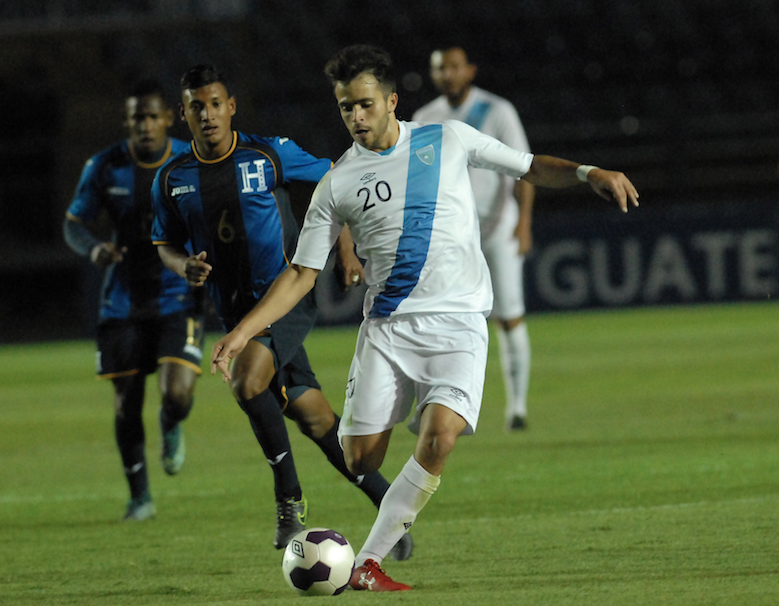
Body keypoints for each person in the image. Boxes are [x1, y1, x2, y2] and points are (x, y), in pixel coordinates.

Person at [211, 44, 639, 591]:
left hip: (458, 321)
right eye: (345, 108)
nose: (356, 118)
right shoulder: (336, 183)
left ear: (392, 101)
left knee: (439, 439)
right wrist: (243, 332)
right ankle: (418, 413)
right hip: (388, 330)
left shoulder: (448, 139)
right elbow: (300, 274)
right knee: (359, 457)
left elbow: (529, 168)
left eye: (364, 104)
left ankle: (367, 562)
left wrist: (587, 172)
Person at [151, 63, 413, 559]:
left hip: (284, 296)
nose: (207, 114)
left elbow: (337, 183)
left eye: (214, 104)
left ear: (231, 107)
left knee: (246, 381)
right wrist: (181, 263)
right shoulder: (171, 178)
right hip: (232, 311)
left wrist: (347, 247)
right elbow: (163, 241)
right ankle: (390, 509)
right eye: (196, 107)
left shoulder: (269, 153)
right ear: (182, 116)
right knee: (314, 418)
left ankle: (289, 499)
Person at [63, 78, 203, 521]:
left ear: (167, 118)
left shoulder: (189, 160)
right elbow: (73, 223)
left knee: (177, 395)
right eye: (136, 117)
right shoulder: (105, 167)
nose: (145, 125)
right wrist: (94, 249)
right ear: (127, 121)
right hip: (122, 301)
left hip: (177, 295)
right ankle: (140, 497)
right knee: (126, 402)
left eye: (152, 116)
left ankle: (172, 423)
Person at [413, 45, 536, 431]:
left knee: (509, 317)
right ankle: (436, 405)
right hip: (450, 236)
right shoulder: (425, 117)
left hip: (497, 228)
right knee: (437, 317)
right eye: (440, 69)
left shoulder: (497, 111)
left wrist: (524, 223)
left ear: (470, 70)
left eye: (453, 67)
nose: (447, 74)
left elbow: (524, 167)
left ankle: (516, 407)